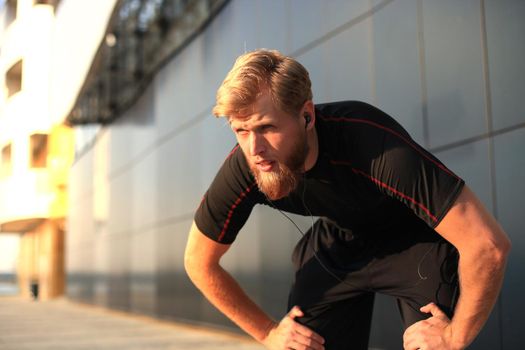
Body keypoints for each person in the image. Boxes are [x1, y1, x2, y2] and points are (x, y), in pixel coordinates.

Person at [184, 49, 511, 350]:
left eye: (267, 127)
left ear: (307, 116)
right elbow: (199, 262)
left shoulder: (372, 144)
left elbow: (487, 244)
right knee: (299, 344)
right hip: (340, 241)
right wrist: (267, 332)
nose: (253, 149)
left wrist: (455, 337)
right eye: (240, 130)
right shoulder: (246, 167)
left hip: (412, 239)